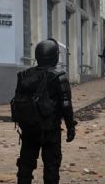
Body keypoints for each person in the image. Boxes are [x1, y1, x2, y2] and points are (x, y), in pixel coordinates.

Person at [12, 39, 76, 184]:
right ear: (54, 56)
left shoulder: (25, 75)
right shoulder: (59, 76)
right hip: (50, 130)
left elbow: (18, 100)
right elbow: (66, 105)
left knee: (25, 165)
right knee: (52, 166)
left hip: (28, 128)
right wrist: (70, 126)